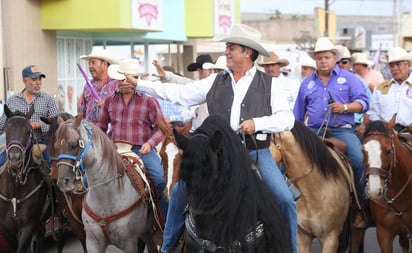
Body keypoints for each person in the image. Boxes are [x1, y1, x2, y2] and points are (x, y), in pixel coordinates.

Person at [132, 24, 298, 253]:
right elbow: (180, 95)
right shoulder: (215, 81)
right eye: (227, 47)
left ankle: (290, 249)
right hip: (215, 157)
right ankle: (168, 247)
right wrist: (139, 84)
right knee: (180, 189)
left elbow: (287, 118)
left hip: (255, 153)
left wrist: (257, 123)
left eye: (231, 47)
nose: (226, 51)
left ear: (247, 52)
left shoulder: (270, 84)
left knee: (285, 200)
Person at [293, 37, 370, 228]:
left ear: (334, 57)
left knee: (360, 160)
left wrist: (344, 107)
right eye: (319, 58)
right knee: (289, 159)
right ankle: (290, 204)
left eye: (326, 57)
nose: (323, 61)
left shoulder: (350, 79)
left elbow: (363, 103)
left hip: (342, 130)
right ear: (315, 60)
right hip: (313, 131)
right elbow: (297, 115)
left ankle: (360, 207)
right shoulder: (306, 84)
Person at [95, 58, 169, 222]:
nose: (123, 82)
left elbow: (161, 128)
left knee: (159, 181)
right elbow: (100, 126)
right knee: (87, 179)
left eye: (126, 79)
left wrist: (149, 143)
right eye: (121, 79)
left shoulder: (149, 100)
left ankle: (166, 221)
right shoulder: (109, 101)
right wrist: (102, 144)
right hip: (114, 150)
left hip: (140, 149)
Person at [0, 65, 59, 166]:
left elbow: (57, 124)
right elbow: (1, 125)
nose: (38, 82)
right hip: (17, 144)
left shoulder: (49, 99)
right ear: (24, 81)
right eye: (34, 79)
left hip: (42, 141)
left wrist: (39, 125)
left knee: (51, 168)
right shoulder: (12, 100)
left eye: (40, 79)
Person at [365, 47, 412, 132]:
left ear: (408, 65)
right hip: (386, 133)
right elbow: (373, 113)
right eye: (391, 65)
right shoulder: (380, 88)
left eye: (398, 64)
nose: (394, 68)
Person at [78, 48, 119, 123]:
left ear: (104, 64)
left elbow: (121, 110)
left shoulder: (116, 85)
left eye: (93, 63)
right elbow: (82, 110)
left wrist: (107, 106)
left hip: (108, 132)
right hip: (89, 131)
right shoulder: (88, 86)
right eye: (89, 63)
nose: (90, 66)